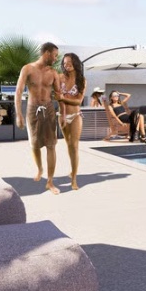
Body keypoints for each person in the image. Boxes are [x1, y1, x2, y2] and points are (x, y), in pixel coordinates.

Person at [15, 42, 61, 195]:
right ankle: (40, 169)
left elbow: (59, 95)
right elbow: (18, 91)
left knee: (51, 145)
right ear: (47, 53)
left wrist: (64, 112)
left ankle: (50, 181)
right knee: (35, 145)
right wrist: (18, 114)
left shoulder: (53, 73)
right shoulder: (28, 68)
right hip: (32, 109)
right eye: (55, 55)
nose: (56, 59)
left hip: (48, 109)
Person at [56, 53, 86, 190]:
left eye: (69, 63)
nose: (66, 66)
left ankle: (74, 179)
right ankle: (72, 170)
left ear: (75, 63)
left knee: (74, 146)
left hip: (75, 115)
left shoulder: (81, 80)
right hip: (62, 115)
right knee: (68, 145)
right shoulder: (60, 77)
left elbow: (78, 101)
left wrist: (63, 98)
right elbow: (56, 97)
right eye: (64, 63)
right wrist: (62, 114)